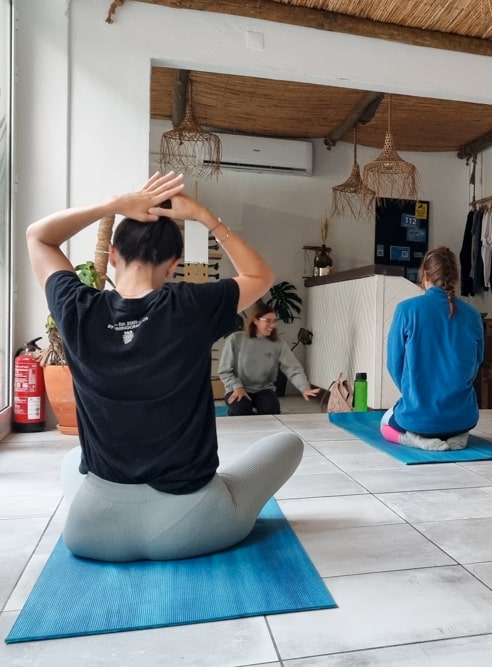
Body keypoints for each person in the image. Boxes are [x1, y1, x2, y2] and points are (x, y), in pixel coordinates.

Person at [26, 171, 304, 562]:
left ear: (116, 256)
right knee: (288, 444)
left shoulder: (77, 308)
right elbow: (261, 276)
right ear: (174, 265)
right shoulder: (189, 306)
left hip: (91, 534)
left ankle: (109, 505)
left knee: (75, 461)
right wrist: (206, 217)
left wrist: (113, 205)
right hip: (194, 526)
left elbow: (38, 235)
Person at [381, 245, 484, 451]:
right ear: (454, 277)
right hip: (463, 417)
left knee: (385, 425)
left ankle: (415, 439)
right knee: (455, 420)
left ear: (425, 275)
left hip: (419, 419)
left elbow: (394, 364)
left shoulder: (406, 309)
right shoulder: (473, 315)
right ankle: (458, 436)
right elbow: (476, 363)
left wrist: (415, 393)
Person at [218, 301, 321, 416]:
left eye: (274, 321)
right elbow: (224, 371)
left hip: (263, 389)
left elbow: (292, 368)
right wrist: (237, 387)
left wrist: (304, 388)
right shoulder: (235, 339)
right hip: (237, 389)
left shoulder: (278, 343)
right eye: (267, 321)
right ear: (256, 321)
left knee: (271, 410)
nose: (272, 325)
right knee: (241, 410)